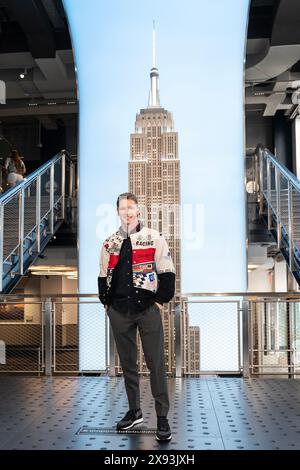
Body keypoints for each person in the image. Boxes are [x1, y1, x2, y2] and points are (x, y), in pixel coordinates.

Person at [98, 192, 175, 441]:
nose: (128, 212)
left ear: (138, 210)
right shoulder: (109, 242)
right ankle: (134, 411)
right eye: (123, 208)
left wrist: (160, 301)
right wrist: (107, 304)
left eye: (131, 207)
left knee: (156, 364)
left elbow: (167, 273)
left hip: (147, 310)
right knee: (128, 365)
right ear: (118, 211)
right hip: (119, 311)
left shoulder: (153, 237)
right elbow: (102, 276)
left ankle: (162, 417)